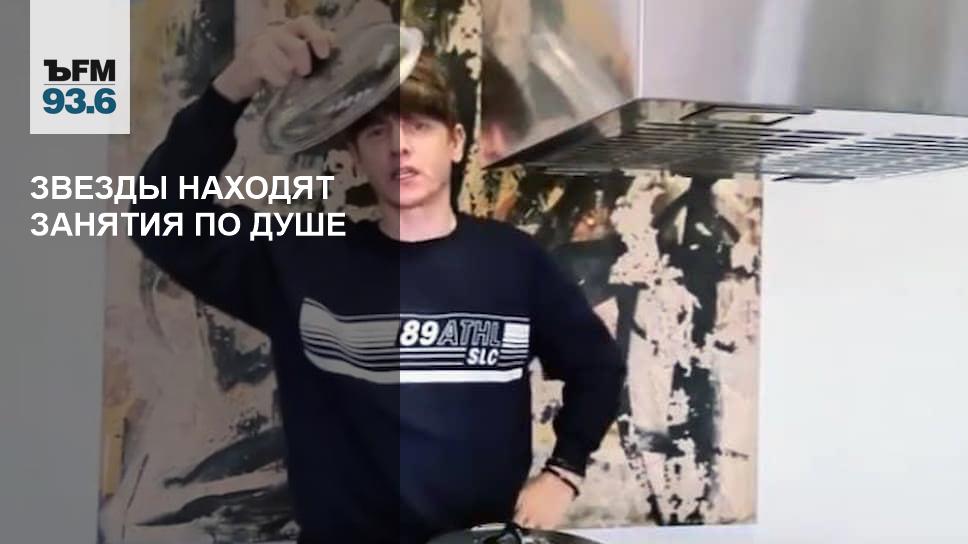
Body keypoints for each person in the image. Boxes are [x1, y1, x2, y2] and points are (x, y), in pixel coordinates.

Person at [130, 15, 625, 544]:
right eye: (376, 130)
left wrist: (564, 472)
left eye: (420, 126)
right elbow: (160, 215)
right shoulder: (303, 258)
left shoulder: (515, 262)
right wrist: (235, 84)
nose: (398, 145)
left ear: (456, 143)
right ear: (357, 155)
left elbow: (597, 366)